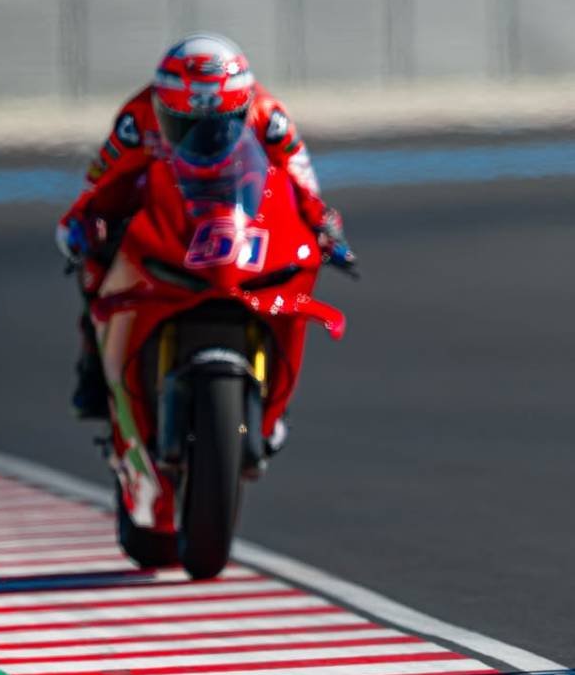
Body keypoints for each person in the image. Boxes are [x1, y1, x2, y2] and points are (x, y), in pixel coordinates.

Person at [56, 33, 355, 420]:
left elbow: (303, 181)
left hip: (238, 208)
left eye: (219, 125)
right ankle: (94, 365)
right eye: (185, 125)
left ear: (242, 108)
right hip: (163, 202)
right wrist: (80, 223)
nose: (205, 138)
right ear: (163, 107)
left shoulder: (269, 116)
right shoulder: (137, 119)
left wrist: (326, 226)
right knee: (94, 265)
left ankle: (271, 403)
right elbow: (102, 180)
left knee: (297, 261)